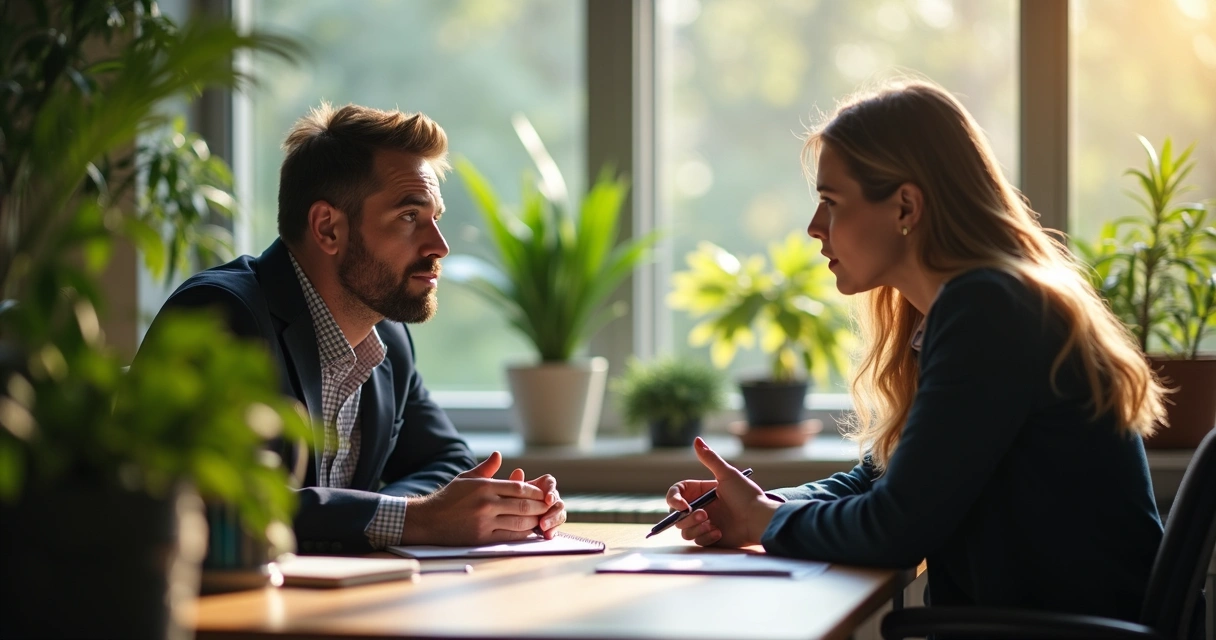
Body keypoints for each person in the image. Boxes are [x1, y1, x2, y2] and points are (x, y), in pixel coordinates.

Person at [665, 80, 1168, 621]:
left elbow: (894, 529)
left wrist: (762, 522)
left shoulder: (989, 310)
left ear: (905, 205)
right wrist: (762, 503)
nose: (814, 228)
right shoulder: (967, 306)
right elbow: (883, 477)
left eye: (831, 203)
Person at [141, 103, 566, 554]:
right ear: (327, 228)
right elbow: (209, 501)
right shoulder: (219, 315)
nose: (439, 246)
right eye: (409, 217)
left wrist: (478, 510)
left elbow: (447, 460)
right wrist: (412, 519)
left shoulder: (389, 340)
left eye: (435, 218)